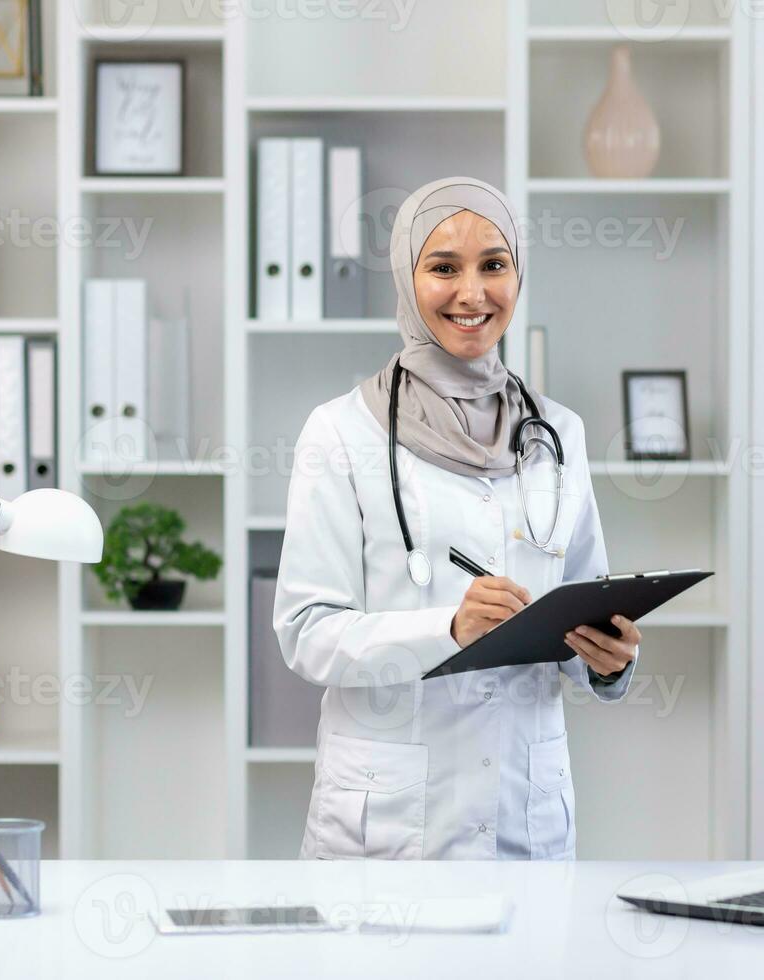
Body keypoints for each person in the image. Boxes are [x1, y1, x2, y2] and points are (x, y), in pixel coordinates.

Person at [273, 176, 640, 861]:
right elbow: (306, 632)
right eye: (444, 268)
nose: (473, 293)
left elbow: (584, 603)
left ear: (518, 275)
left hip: (522, 816)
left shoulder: (558, 434)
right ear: (408, 281)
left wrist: (608, 663)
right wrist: (447, 627)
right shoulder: (340, 433)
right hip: (388, 826)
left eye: (493, 265)